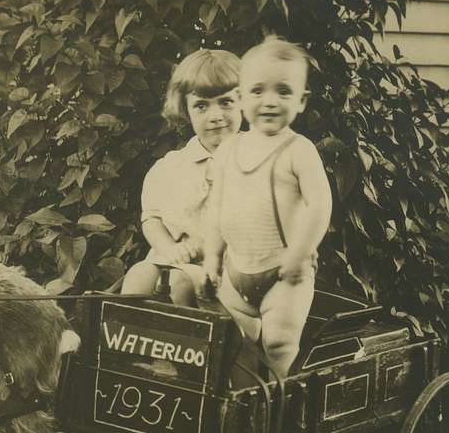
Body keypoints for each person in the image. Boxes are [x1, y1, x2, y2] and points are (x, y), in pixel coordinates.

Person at [203, 36, 332, 379]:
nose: (270, 101)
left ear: (302, 101)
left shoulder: (298, 150)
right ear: (242, 99)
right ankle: (246, 412)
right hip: (236, 271)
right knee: (235, 346)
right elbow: (217, 207)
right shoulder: (229, 149)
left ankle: (280, 410)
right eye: (258, 91)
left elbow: (320, 204)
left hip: (284, 273)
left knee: (279, 342)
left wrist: (300, 252)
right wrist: (213, 256)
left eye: (284, 92)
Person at [121, 49, 242, 306]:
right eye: (201, 106)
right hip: (175, 259)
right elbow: (152, 218)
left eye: (226, 102)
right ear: (186, 111)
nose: (215, 115)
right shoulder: (172, 167)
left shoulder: (256, 163)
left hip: (228, 268)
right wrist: (169, 248)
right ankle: (126, 341)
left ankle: (189, 344)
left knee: (180, 284)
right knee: (138, 276)